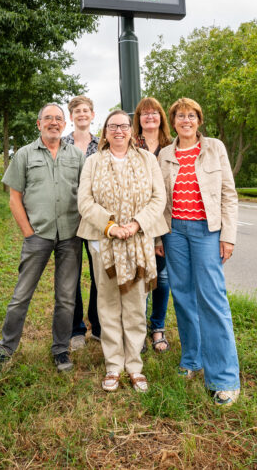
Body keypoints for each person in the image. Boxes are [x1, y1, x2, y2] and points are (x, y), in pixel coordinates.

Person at [77, 110, 169, 392]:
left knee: (134, 306)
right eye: (112, 126)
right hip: (103, 241)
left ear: (132, 130)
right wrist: (111, 226)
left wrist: (136, 224)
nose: (118, 130)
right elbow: (85, 200)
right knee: (107, 305)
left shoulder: (147, 159)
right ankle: (114, 365)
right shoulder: (93, 162)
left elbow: (158, 198)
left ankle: (134, 366)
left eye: (123, 126)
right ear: (105, 131)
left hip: (138, 240)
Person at [158, 97, 242, 406]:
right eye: (180, 116)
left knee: (212, 298)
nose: (186, 120)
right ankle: (192, 359)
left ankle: (224, 378)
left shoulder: (214, 148)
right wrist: (158, 236)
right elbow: (159, 199)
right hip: (174, 231)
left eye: (191, 115)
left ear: (199, 120)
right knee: (181, 295)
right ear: (174, 121)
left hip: (208, 231)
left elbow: (228, 194)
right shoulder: (165, 154)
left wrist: (228, 236)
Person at [0, 103, 85, 374]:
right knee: (22, 295)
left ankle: (60, 349)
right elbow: (14, 198)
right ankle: (6, 348)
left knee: (66, 298)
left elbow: (87, 194)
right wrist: (28, 233)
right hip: (38, 235)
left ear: (65, 124)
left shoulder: (77, 156)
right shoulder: (24, 154)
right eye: (48, 119)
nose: (54, 123)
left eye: (58, 119)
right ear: (39, 124)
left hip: (70, 236)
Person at [132, 97, 173, 354]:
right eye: (144, 113)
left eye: (154, 113)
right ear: (138, 118)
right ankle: (137, 330)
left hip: (168, 218)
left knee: (163, 276)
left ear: (161, 118)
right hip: (140, 219)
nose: (149, 117)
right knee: (141, 276)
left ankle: (157, 327)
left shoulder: (171, 146)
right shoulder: (131, 145)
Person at [61, 95, 101, 349]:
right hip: (70, 216)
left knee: (99, 273)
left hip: (96, 218)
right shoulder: (62, 143)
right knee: (71, 274)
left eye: (86, 110)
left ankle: (98, 326)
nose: (82, 114)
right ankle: (76, 329)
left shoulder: (103, 144)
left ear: (92, 115)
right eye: (77, 111)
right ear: (71, 116)